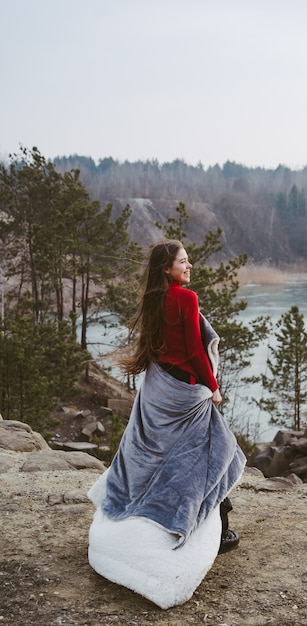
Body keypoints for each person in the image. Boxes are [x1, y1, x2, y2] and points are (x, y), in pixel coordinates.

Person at [87, 239, 246, 609]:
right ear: (167, 269)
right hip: (186, 393)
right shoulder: (185, 299)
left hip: (158, 388)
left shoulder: (152, 298)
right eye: (183, 262)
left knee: (171, 454)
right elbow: (193, 350)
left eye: (189, 261)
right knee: (213, 451)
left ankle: (214, 521)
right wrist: (214, 386)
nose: (189, 267)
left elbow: (158, 347)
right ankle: (217, 530)